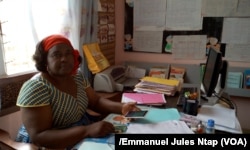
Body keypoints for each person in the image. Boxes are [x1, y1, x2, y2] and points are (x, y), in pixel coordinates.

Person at [15, 34, 140, 149]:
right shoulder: (36, 87)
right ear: (44, 60)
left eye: (68, 53)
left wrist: (123, 108)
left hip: (80, 132)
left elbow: (95, 101)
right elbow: (40, 137)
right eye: (56, 55)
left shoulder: (77, 76)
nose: (64, 59)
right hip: (50, 144)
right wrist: (87, 131)